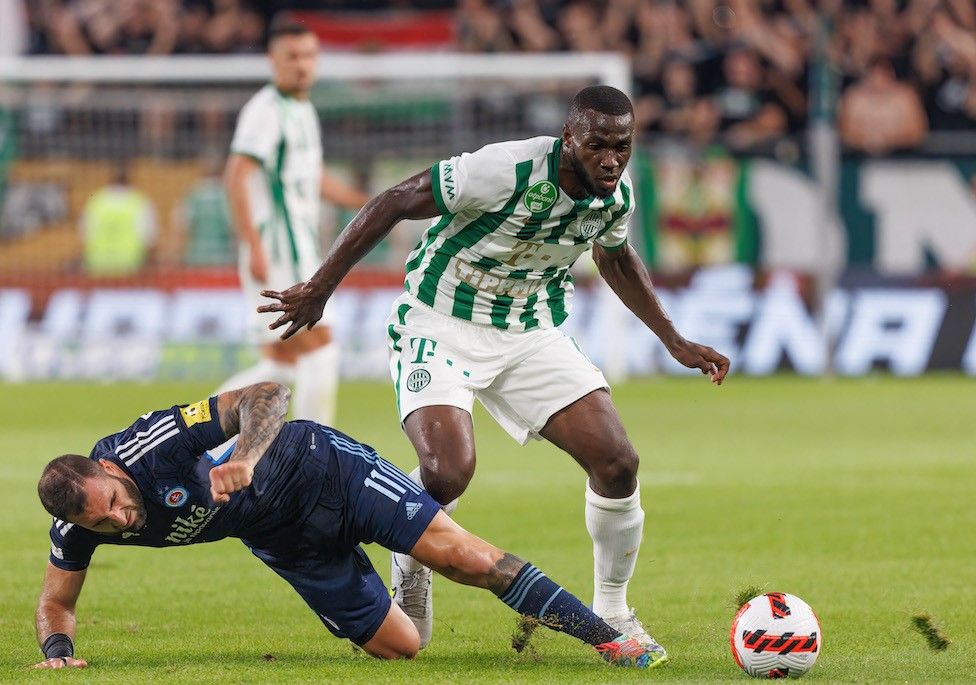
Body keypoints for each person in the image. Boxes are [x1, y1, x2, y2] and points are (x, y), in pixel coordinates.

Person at [259, 85, 731, 657]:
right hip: (438, 322)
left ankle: (613, 609)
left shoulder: (616, 195)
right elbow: (395, 200)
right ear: (569, 139)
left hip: (528, 333)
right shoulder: (503, 170)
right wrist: (319, 288)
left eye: (623, 147)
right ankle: (410, 560)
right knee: (447, 472)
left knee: (618, 462)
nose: (611, 159)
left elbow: (614, 255)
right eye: (598, 145)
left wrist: (673, 340)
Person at [33, 382, 663, 670]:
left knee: (467, 559)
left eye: (114, 500)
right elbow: (55, 603)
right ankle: (403, 568)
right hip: (281, 540)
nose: (122, 517)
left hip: (320, 468)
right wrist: (57, 653)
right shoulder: (81, 528)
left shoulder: (153, 444)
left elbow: (270, 395)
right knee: (403, 648)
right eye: (105, 522)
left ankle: (610, 640)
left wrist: (246, 456)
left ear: (107, 467)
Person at [218, 18, 368, 426]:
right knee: (322, 350)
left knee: (282, 363)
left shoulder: (302, 109)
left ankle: (195, 426)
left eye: (309, 56)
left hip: (300, 249)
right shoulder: (265, 111)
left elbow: (312, 177)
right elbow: (235, 176)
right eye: (292, 57)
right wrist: (253, 247)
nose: (302, 65)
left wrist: (369, 204)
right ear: (273, 60)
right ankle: (314, 451)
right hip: (277, 251)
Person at [79, 159, 157, 276]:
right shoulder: (140, 201)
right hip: (130, 267)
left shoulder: (96, 201)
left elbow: (84, 235)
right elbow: (149, 239)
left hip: (98, 267)